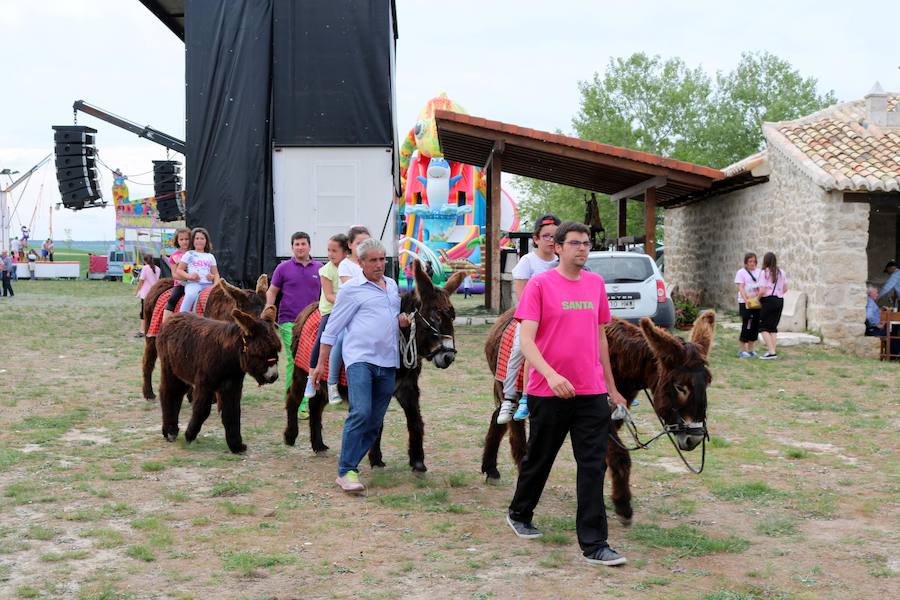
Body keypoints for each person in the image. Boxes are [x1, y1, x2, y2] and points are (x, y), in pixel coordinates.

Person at [505, 221, 628, 567]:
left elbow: (600, 336)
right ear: (557, 247)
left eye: (587, 243)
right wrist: (550, 374)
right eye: (575, 243)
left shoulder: (595, 284)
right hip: (548, 391)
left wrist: (612, 387)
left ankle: (595, 543)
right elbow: (526, 340)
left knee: (592, 465)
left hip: (590, 390)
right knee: (540, 457)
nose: (582, 249)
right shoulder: (540, 285)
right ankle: (519, 511)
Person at [310, 238, 410, 493]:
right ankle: (346, 470)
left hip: (388, 362)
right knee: (361, 412)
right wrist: (321, 363)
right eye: (373, 260)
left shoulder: (391, 286)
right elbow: (332, 329)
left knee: (375, 421)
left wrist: (400, 322)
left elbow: (387, 318)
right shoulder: (351, 289)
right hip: (360, 360)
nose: (379, 265)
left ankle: (350, 464)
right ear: (361, 262)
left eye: (382, 259)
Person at [497, 214, 561, 424]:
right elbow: (523, 295)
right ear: (536, 238)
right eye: (546, 236)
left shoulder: (561, 262)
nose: (550, 241)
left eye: (555, 236)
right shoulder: (528, 261)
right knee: (518, 350)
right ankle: (509, 397)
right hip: (533, 317)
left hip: (559, 318)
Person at [266, 231, 323, 419]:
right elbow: (272, 291)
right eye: (296, 244)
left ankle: (301, 398)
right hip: (288, 321)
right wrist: (268, 309)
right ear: (292, 247)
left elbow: (326, 294)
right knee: (296, 360)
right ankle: (298, 402)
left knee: (312, 361)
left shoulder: (320, 268)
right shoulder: (283, 268)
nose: (300, 247)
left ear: (309, 246)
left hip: (313, 322)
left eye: (303, 244)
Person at [301, 233, 350, 407]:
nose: (330, 254)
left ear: (345, 251)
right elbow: (329, 296)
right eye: (329, 250)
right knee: (322, 339)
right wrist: (348, 300)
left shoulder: (351, 267)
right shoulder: (326, 270)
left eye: (334, 251)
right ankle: (314, 378)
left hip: (350, 310)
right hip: (331, 311)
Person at [327, 225, 371, 403]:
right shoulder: (345, 265)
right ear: (350, 245)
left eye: (367, 242)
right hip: (351, 311)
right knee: (340, 339)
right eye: (359, 243)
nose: (363, 246)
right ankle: (332, 384)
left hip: (370, 310)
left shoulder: (371, 261)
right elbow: (353, 290)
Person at [175, 227, 219, 313]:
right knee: (190, 295)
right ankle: (182, 316)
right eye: (197, 238)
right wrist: (190, 276)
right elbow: (179, 270)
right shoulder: (189, 254)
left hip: (208, 285)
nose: (199, 240)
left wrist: (215, 284)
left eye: (202, 238)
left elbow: (216, 274)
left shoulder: (210, 256)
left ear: (206, 241)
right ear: (193, 241)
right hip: (194, 284)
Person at [757, 252, 788, 360]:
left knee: (763, 327)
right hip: (779, 300)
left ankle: (771, 352)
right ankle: (772, 351)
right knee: (773, 327)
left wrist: (757, 299)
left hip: (768, 300)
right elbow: (785, 289)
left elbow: (762, 290)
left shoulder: (764, 273)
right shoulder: (781, 272)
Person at [734, 252, 761, 357]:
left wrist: (758, 297)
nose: (752, 263)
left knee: (755, 325)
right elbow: (741, 287)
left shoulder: (759, 272)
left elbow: (761, 285)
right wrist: (746, 300)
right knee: (746, 324)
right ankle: (741, 350)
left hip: (756, 301)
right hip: (745, 301)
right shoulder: (741, 272)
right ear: (746, 263)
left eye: (754, 261)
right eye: (750, 261)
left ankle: (751, 349)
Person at [162, 228, 192, 323]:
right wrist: (187, 277)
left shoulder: (195, 253)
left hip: (196, 282)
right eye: (181, 239)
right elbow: (174, 275)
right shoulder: (174, 256)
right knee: (172, 299)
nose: (184, 242)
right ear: (177, 241)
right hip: (181, 284)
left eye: (187, 239)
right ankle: (165, 324)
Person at [135, 254, 161, 337]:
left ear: (145, 261)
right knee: (153, 312)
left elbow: (141, 281)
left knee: (143, 312)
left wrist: (136, 290)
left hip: (145, 293)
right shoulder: (158, 269)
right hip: (154, 293)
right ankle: (152, 329)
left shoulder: (145, 268)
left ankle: (142, 330)